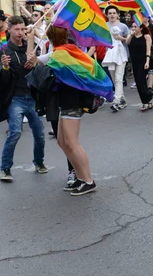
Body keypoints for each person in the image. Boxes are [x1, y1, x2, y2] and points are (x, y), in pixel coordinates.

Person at [32, 25, 105, 195]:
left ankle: (88, 180)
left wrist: (33, 49)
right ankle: (81, 177)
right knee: (63, 142)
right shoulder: (65, 51)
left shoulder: (62, 54)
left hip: (72, 102)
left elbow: (40, 63)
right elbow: (38, 61)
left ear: (52, 39)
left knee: (72, 143)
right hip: (66, 103)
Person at [0, 16, 47, 181]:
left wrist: (31, 42)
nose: (20, 32)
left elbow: (31, 67)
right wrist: (4, 66)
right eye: (16, 29)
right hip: (15, 98)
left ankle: (39, 162)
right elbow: (3, 80)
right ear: (9, 30)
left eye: (23, 29)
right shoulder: (4, 51)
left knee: (39, 133)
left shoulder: (29, 47)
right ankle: (5, 169)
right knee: (15, 132)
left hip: (31, 96)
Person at [102, 5, 129, 111]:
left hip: (121, 55)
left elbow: (128, 40)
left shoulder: (123, 26)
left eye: (114, 13)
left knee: (118, 78)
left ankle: (116, 101)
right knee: (114, 79)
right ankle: (122, 100)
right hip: (110, 55)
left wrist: (120, 38)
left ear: (118, 14)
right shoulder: (104, 26)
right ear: (107, 15)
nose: (112, 15)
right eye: (110, 13)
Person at [126, 21, 153, 111]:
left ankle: (145, 102)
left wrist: (147, 61)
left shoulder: (146, 36)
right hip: (135, 62)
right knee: (138, 82)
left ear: (141, 28)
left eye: (135, 26)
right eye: (132, 26)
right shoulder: (132, 36)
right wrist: (131, 34)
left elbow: (148, 50)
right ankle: (148, 99)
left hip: (144, 61)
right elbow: (127, 42)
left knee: (141, 81)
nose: (133, 28)